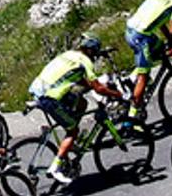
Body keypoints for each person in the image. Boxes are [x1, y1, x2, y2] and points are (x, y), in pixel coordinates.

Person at [27, 36, 131, 185]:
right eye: (94, 52)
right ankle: (55, 167)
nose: (95, 56)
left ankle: (71, 143)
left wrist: (92, 86)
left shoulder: (69, 54)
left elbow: (79, 79)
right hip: (50, 98)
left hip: (39, 89)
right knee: (73, 130)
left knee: (82, 103)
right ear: (90, 50)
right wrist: (118, 95)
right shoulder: (85, 61)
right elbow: (99, 88)